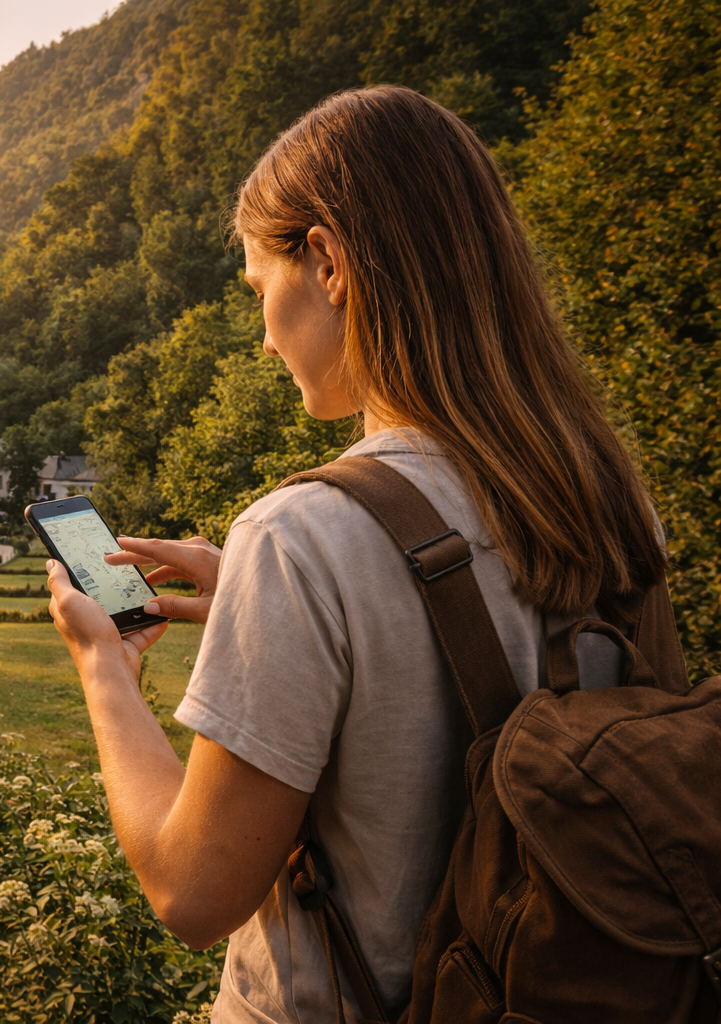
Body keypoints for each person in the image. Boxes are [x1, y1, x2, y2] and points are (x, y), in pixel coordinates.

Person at [44, 85, 665, 1023]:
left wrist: (104, 668)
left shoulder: (302, 541)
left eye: (263, 289)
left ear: (327, 262)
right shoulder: (614, 503)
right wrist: (266, 607)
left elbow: (192, 893)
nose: (261, 336)